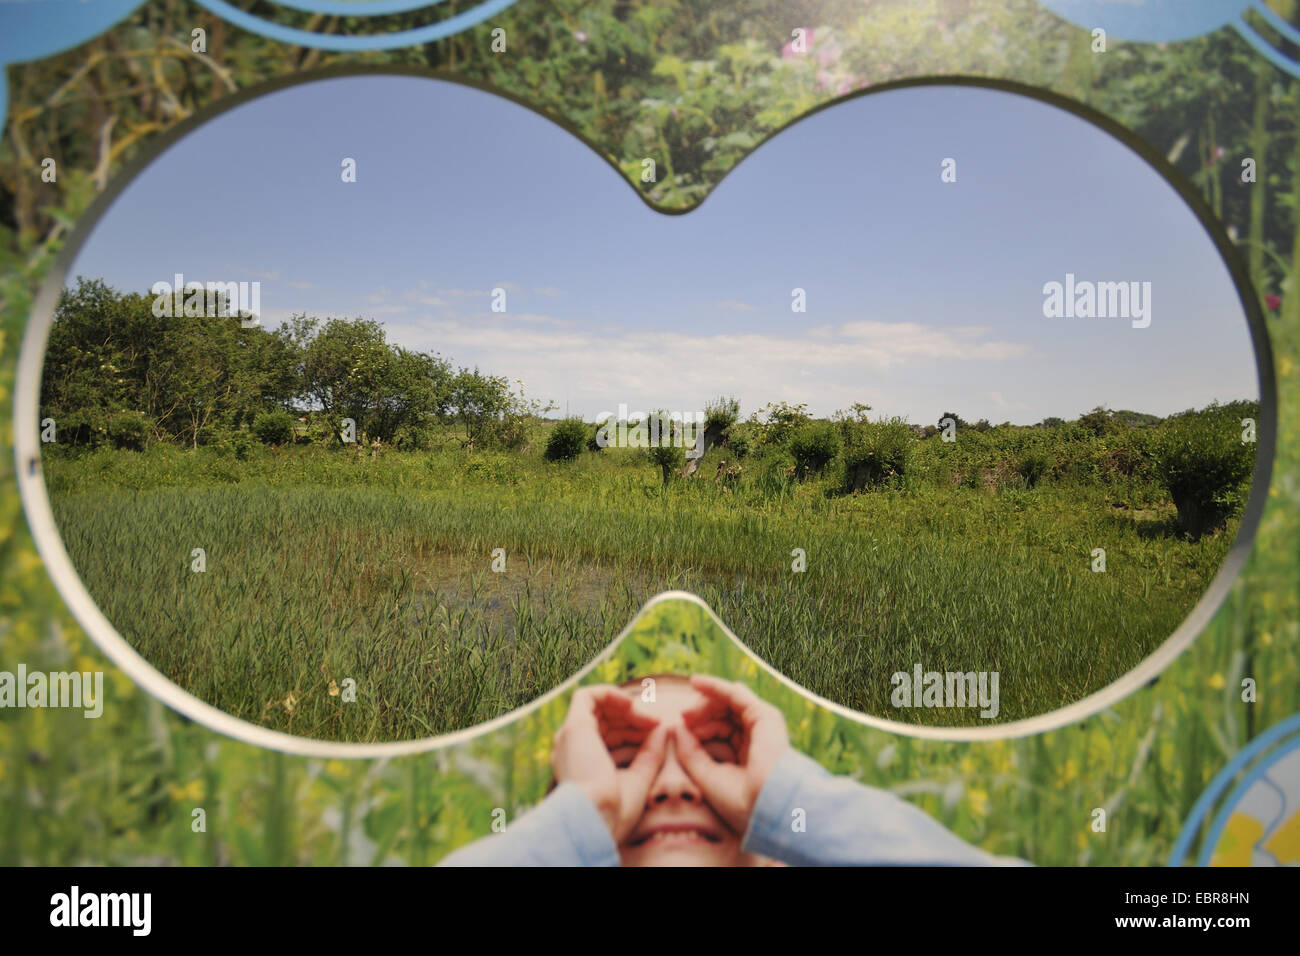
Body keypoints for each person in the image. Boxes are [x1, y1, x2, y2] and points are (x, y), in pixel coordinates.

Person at [439, 673, 1026, 866]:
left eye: (712, 760)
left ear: (769, 854)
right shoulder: (576, 827)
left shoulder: (778, 825)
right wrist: (585, 811)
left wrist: (785, 799)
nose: (670, 783)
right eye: (626, 763)